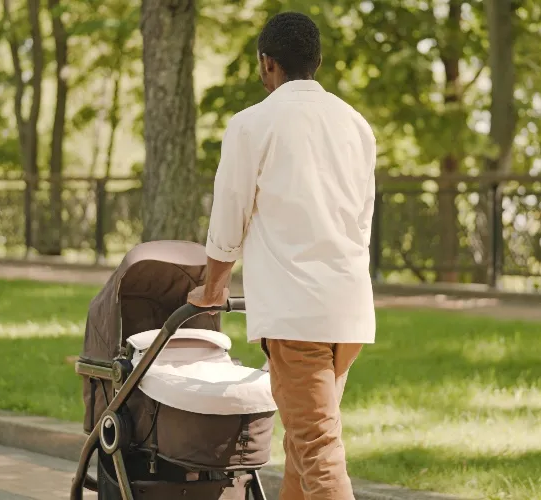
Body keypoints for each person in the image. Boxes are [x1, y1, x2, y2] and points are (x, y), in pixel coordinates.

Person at [188, 11, 376, 500]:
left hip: (299, 317)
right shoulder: (357, 125)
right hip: (349, 313)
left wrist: (211, 290)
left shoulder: (252, 124)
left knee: (316, 447)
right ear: (317, 61)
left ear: (267, 63)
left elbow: (229, 220)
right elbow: (362, 221)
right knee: (303, 445)